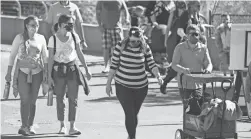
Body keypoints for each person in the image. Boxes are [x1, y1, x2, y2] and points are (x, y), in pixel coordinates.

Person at [106, 27, 163, 139]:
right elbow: (113, 66)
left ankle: (130, 135)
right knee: (129, 113)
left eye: (138, 41)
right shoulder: (120, 46)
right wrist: (108, 84)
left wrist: (158, 76)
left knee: (133, 114)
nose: (135, 43)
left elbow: (151, 64)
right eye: (133, 41)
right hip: (123, 85)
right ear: (128, 38)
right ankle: (132, 137)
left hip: (141, 87)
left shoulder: (145, 47)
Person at [47, 14, 92, 135]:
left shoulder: (74, 36)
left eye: (72, 24)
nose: (72, 26)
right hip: (58, 71)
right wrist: (48, 76)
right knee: (60, 98)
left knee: (73, 98)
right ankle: (62, 125)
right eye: (69, 24)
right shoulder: (53, 39)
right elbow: (50, 58)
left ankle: (72, 126)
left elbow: (79, 52)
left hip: (72, 69)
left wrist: (86, 69)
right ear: (61, 25)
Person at [5, 16, 48, 135]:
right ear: (26, 26)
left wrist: (47, 74)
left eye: (37, 25)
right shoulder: (19, 38)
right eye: (32, 25)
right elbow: (12, 56)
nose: (35, 27)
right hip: (22, 73)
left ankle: (30, 125)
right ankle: (24, 126)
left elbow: (45, 57)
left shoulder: (41, 38)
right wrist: (8, 73)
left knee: (33, 101)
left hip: (37, 73)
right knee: (25, 100)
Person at [160, 0, 203, 94]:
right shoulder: (185, 15)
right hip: (178, 42)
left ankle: (193, 89)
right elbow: (179, 31)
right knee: (178, 66)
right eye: (197, 5)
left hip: (191, 44)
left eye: (199, 5)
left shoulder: (196, 15)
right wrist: (187, 38)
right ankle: (165, 82)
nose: (199, 7)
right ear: (191, 6)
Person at [172, 24, 213, 100]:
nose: (195, 36)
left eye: (197, 34)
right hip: (184, 83)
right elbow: (174, 64)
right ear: (187, 35)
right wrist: (184, 70)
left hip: (199, 84)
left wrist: (208, 70)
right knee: (187, 108)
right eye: (192, 34)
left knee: (197, 107)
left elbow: (209, 63)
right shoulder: (180, 47)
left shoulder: (203, 48)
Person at [96, 0, 130, 73]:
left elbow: (126, 11)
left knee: (118, 48)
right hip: (105, 28)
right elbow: (98, 13)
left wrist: (126, 19)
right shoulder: (101, 1)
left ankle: (119, 66)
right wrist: (99, 25)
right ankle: (106, 66)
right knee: (106, 48)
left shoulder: (120, 1)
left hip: (117, 28)